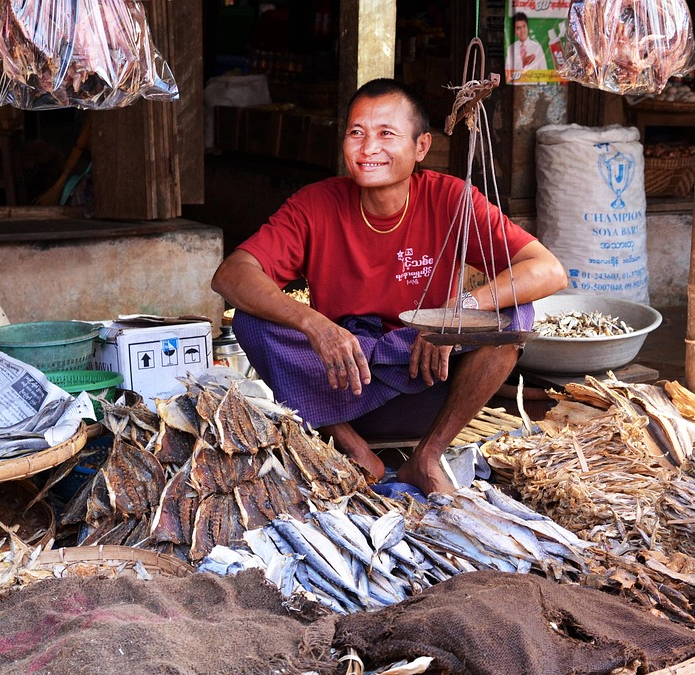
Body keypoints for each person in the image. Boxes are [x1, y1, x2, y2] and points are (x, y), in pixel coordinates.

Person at [211, 78, 566, 495]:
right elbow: (231, 274)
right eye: (356, 133)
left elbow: (548, 270)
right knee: (252, 320)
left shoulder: (450, 199)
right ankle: (350, 444)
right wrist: (317, 326)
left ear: (421, 147)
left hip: (427, 380)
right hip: (339, 383)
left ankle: (428, 457)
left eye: (386, 134)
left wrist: (451, 318)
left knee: (514, 315)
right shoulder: (316, 204)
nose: (368, 148)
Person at [505, 13, 548, 81]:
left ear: (527, 27)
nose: (522, 31)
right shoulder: (511, 49)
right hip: (516, 88)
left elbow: (544, 72)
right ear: (514, 31)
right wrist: (522, 64)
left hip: (534, 88)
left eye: (524, 26)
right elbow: (507, 73)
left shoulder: (537, 47)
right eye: (518, 28)